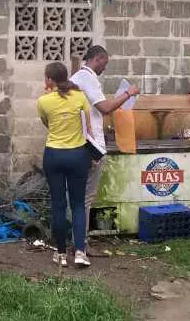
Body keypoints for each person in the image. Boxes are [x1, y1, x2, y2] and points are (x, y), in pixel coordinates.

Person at [70, 45, 140, 252]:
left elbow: (94, 112)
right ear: (98, 59)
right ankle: (80, 244)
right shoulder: (87, 78)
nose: (105, 68)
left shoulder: (77, 79)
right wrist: (128, 93)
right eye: (105, 63)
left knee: (76, 197)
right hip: (89, 147)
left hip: (78, 144)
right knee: (85, 198)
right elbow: (106, 107)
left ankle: (75, 241)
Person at [37, 62, 93, 268]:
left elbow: (47, 123)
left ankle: (61, 254)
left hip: (54, 155)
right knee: (78, 205)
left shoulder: (43, 101)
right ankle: (80, 251)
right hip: (78, 155)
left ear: (50, 80)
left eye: (46, 78)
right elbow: (87, 124)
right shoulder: (80, 96)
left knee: (58, 205)